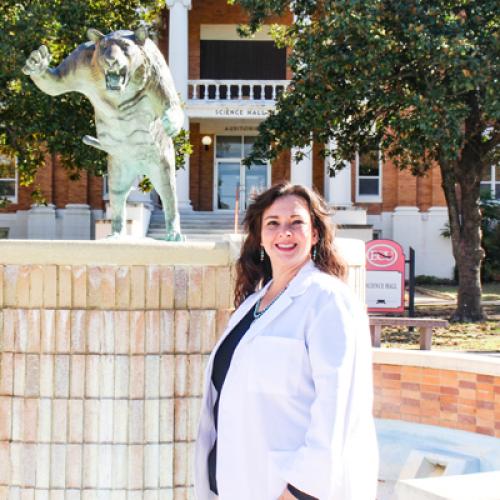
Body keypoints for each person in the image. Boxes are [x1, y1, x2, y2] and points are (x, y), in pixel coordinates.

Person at [194, 183, 378, 500]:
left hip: (291, 491)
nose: (285, 232)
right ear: (261, 237)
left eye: (296, 222)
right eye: (273, 223)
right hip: (237, 483)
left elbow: (337, 407)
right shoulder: (254, 303)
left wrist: (300, 490)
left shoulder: (327, 299)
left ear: (316, 234)